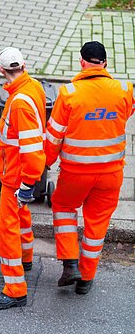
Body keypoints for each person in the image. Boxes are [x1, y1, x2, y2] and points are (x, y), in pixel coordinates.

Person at [45, 41, 134, 294]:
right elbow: (126, 112)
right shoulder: (125, 89)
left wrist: (46, 162)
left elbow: (54, 136)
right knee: (97, 224)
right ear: (105, 63)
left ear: (82, 62)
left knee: (63, 207)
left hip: (76, 173)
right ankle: (86, 278)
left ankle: (70, 262)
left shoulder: (69, 93)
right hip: (111, 174)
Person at [0, 47, 46, 310]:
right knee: (22, 218)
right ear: (24, 65)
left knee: (7, 231)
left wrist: (26, 183)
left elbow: (31, 150)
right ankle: (26, 257)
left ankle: (14, 289)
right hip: (18, 174)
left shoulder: (20, 102)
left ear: (1, 70)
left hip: (15, 176)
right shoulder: (32, 86)